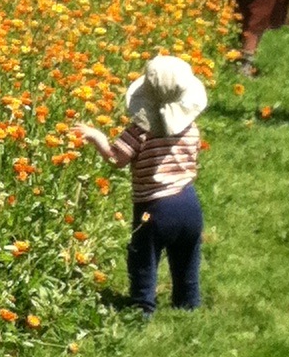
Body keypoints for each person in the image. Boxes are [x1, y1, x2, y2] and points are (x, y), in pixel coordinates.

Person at [77, 54, 207, 316]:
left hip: (154, 209)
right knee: (186, 257)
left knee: (143, 257)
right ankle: (188, 302)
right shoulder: (191, 129)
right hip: (189, 204)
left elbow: (117, 159)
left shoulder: (139, 131)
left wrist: (98, 138)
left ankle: (142, 308)